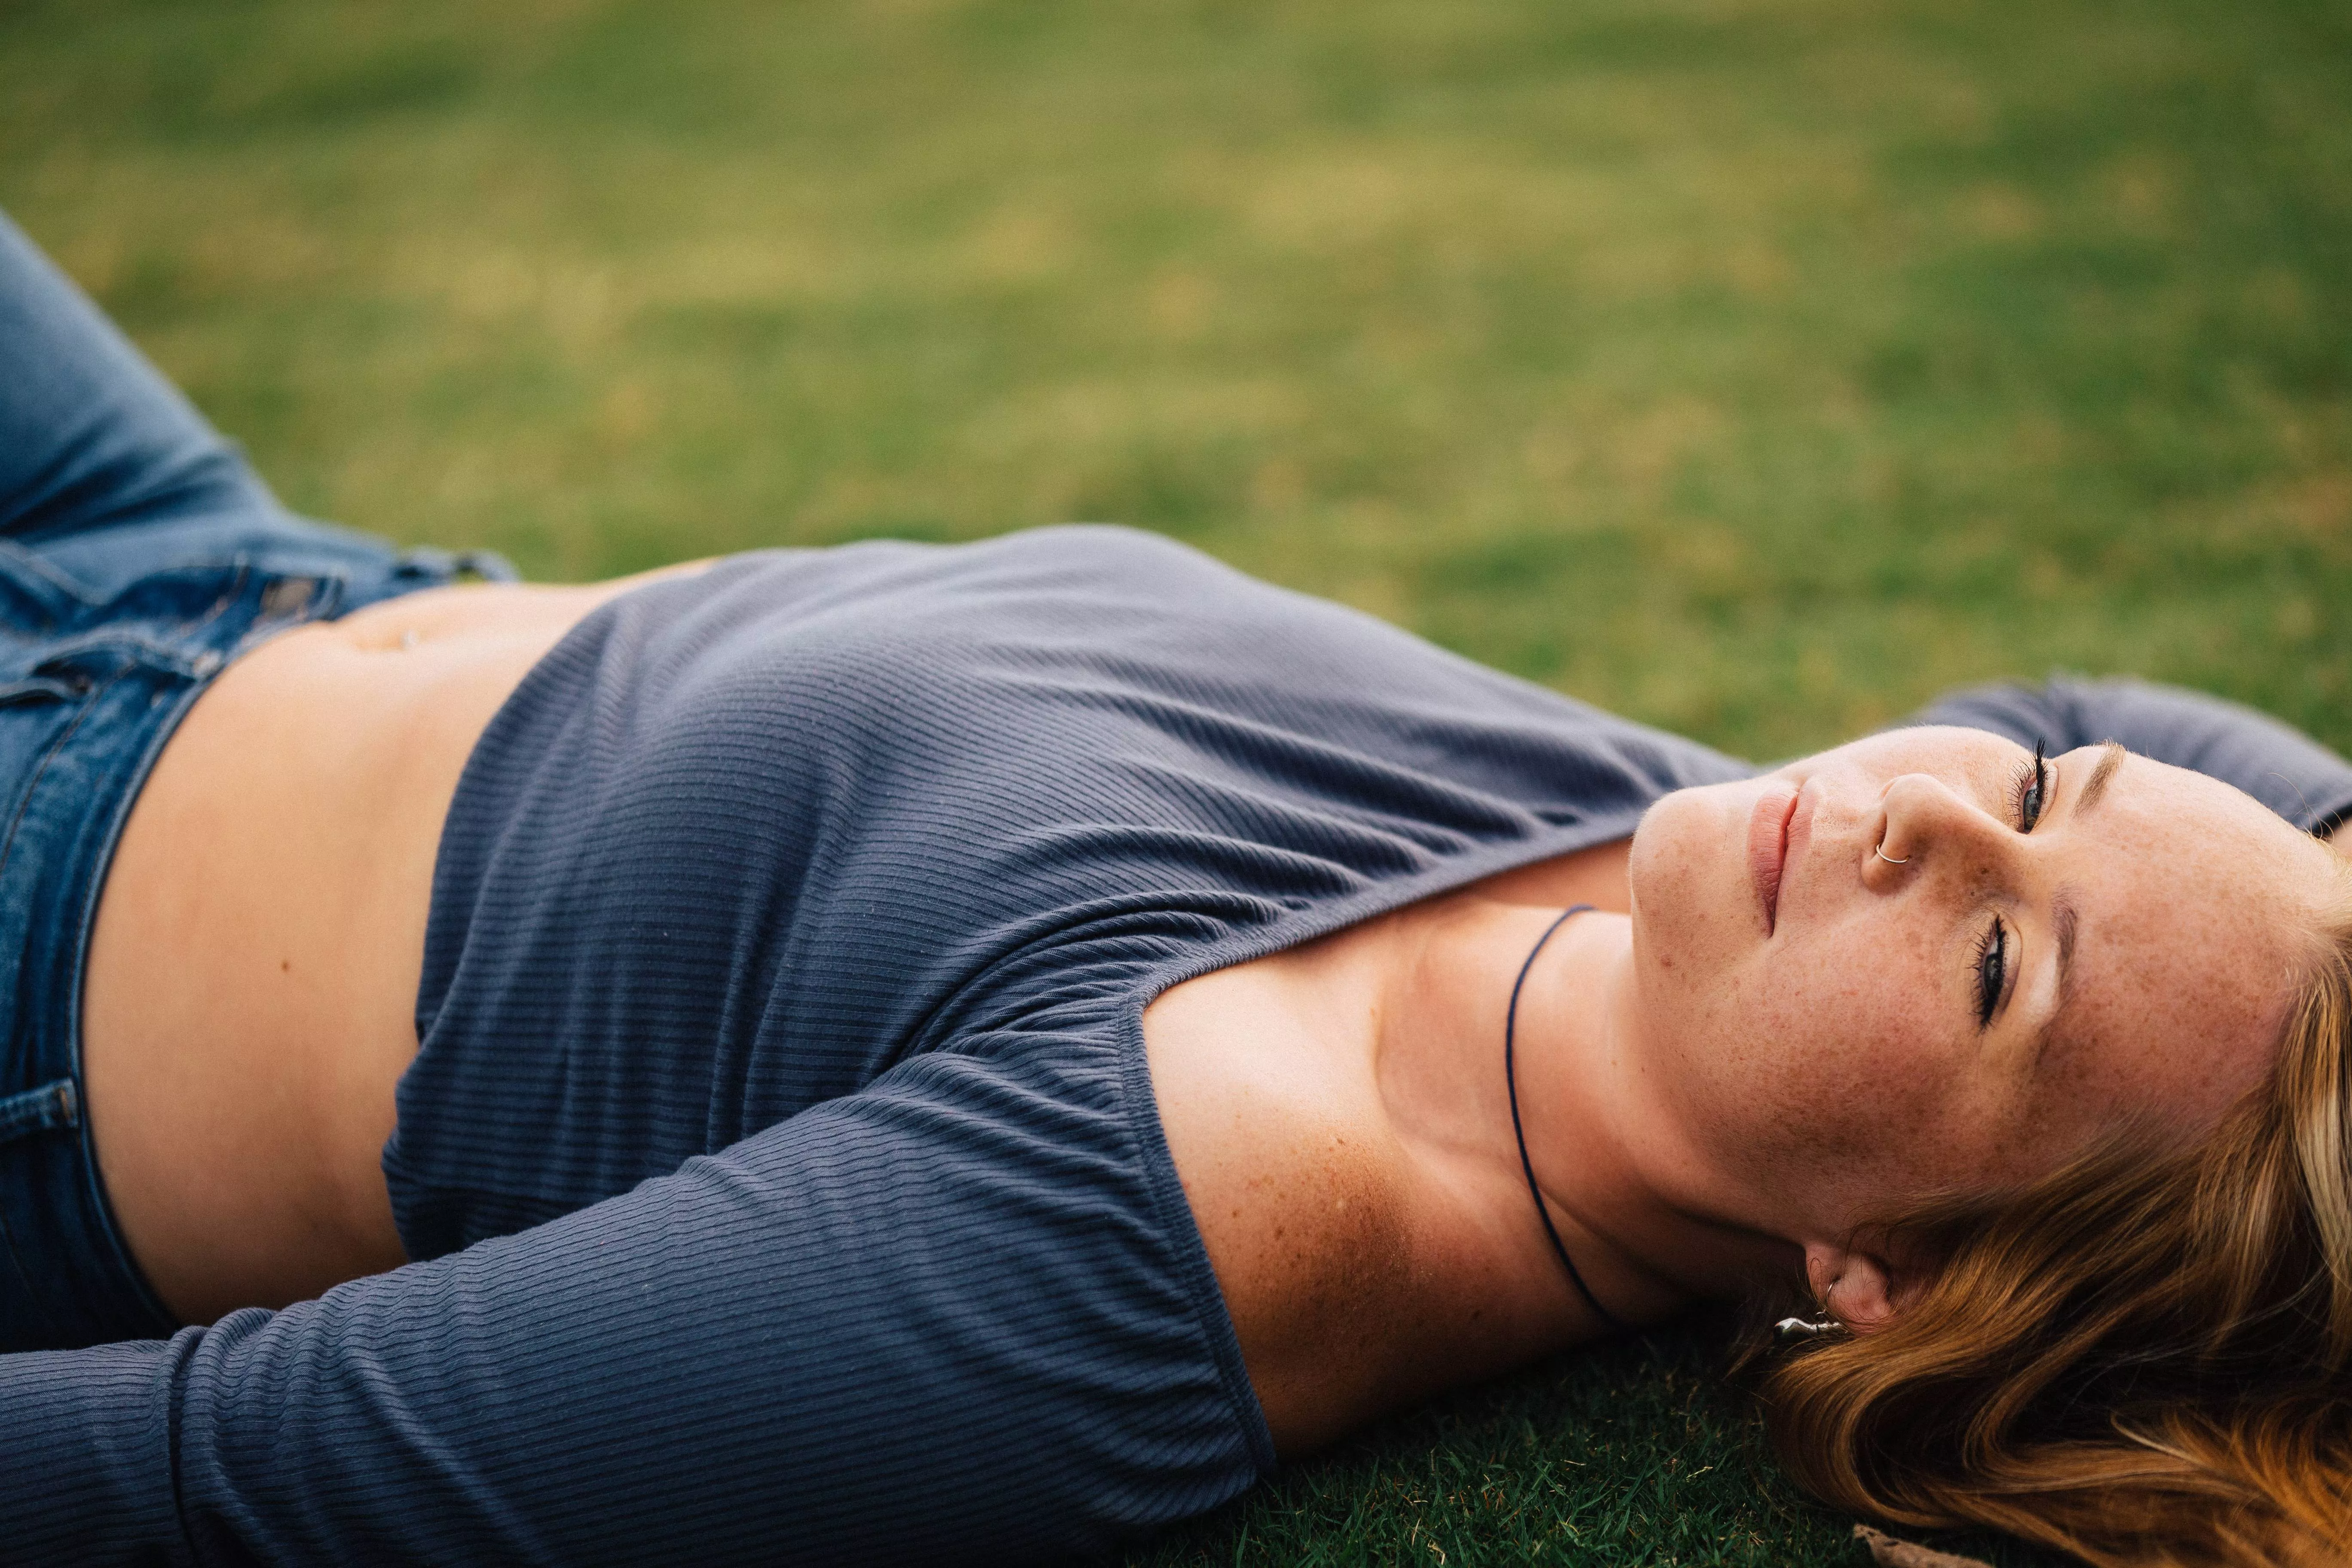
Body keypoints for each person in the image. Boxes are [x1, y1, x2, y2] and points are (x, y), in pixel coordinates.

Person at [0, 205, 2345, 1568]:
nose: (1932, 820)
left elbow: (220, 1477)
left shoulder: (1135, 1245)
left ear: (1892, 1275)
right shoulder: (1736, 895)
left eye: (2002, 964)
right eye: (2047, 788)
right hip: (222, 562)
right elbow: (2168, 777)